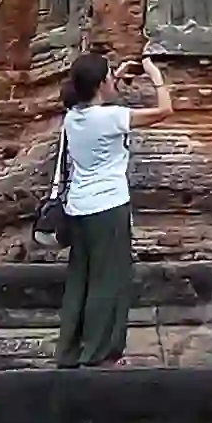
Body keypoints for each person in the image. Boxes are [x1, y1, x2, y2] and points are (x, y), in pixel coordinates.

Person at [56, 48, 171, 369]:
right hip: (108, 207)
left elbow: (97, 98)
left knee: (81, 280)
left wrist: (114, 76)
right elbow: (165, 110)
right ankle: (100, 354)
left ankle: (69, 351)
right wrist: (155, 76)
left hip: (79, 208)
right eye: (109, 78)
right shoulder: (111, 118)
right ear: (101, 84)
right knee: (110, 282)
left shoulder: (72, 117)